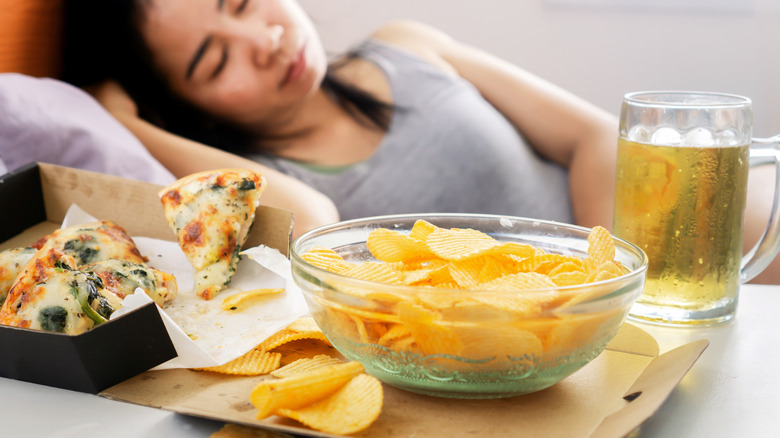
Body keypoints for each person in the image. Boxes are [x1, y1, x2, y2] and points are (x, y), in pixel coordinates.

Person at [64, 0, 779, 283]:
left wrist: (610, 283)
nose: (265, 38)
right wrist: (129, 125)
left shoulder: (405, 45)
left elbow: (590, 137)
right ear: (183, 107)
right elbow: (314, 224)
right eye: (216, 62)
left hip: (673, 245)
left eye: (243, 3)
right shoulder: (267, 181)